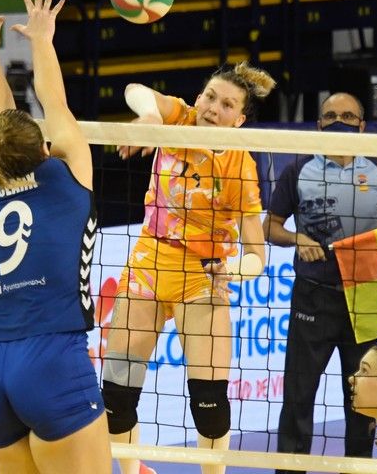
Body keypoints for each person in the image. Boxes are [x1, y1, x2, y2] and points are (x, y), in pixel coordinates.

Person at [0, 0, 112, 474]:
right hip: (54, 361)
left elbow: (2, 119)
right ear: (45, 148)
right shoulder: (68, 178)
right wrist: (41, 38)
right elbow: (54, 101)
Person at [104, 63, 275, 474]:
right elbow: (134, 86)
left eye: (228, 104)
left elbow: (257, 255)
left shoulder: (240, 166)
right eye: (211, 96)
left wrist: (232, 271)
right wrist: (148, 115)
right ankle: (133, 472)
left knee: (209, 405)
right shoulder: (178, 117)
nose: (214, 108)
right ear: (199, 98)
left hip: (202, 274)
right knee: (116, 398)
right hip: (149, 261)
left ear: (239, 120)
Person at [263, 92, 377, 474]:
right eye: (331, 115)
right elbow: (270, 227)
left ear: (362, 125)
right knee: (299, 396)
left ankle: (358, 470)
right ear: (318, 124)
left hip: (364, 297)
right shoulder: (298, 168)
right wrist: (298, 239)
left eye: (348, 115)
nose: (339, 121)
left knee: (363, 400)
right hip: (313, 298)